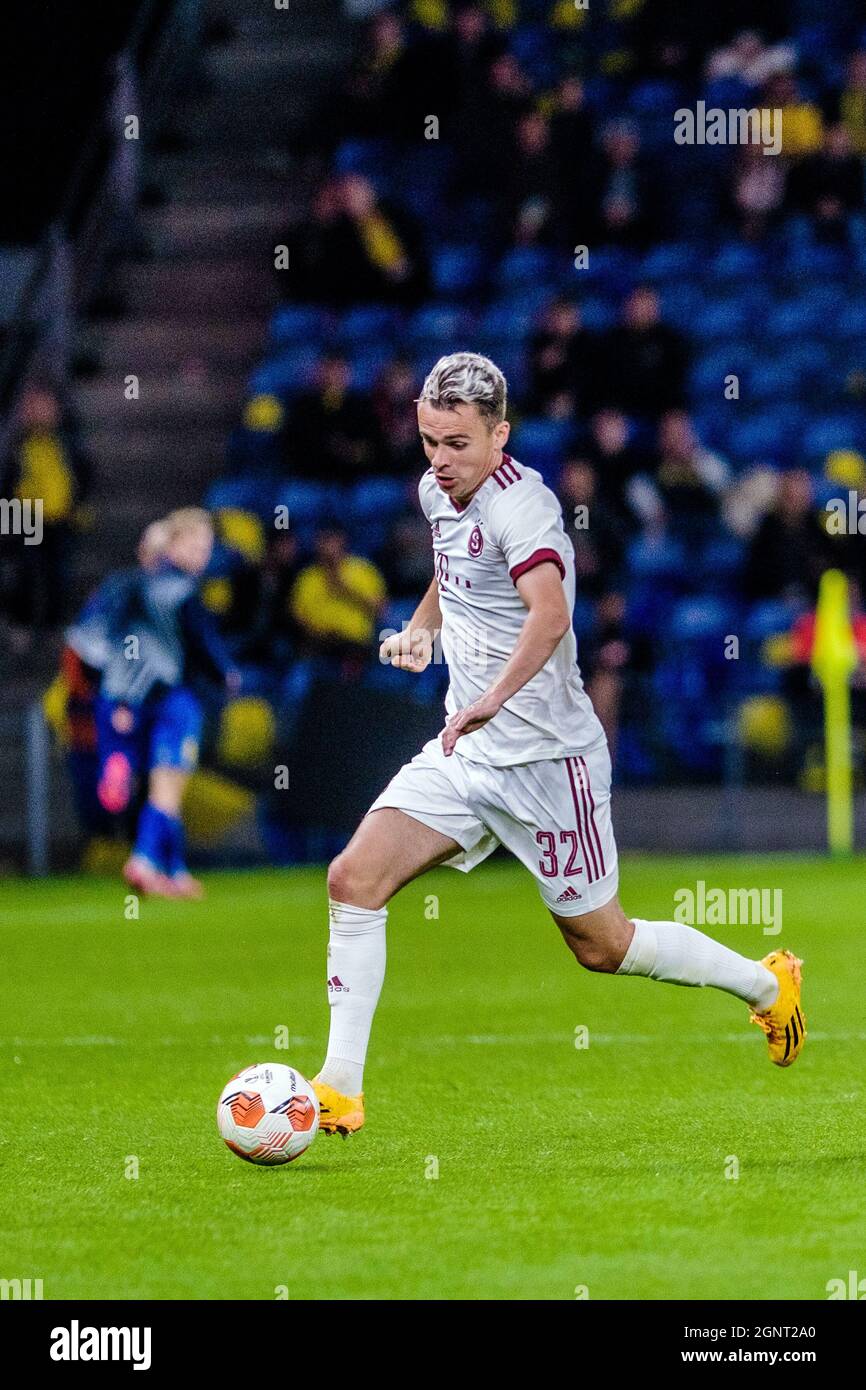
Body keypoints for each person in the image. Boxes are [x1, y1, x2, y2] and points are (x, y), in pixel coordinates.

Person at [309, 352, 807, 1137]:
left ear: (500, 435)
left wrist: (490, 699)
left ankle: (768, 987)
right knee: (353, 878)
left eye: (457, 444)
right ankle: (338, 1086)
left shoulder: (528, 509)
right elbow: (451, 567)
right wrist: (418, 631)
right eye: (429, 440)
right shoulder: (436, 492)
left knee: (603, 947)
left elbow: (549, 615)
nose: (439, 460)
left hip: (549, 763)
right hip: (468, 753)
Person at [66, 509, 239, 899]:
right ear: (171, 547)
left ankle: (171, 868)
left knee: (161, 787)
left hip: (119, 697)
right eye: (196, 546)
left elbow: (88, 642)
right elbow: (204, 648)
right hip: (169, 698)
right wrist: (228, 675)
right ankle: (145, 860)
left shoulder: (119, 589)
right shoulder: (179, 593)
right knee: (167, 786)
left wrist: (109, 692)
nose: (202, 555)